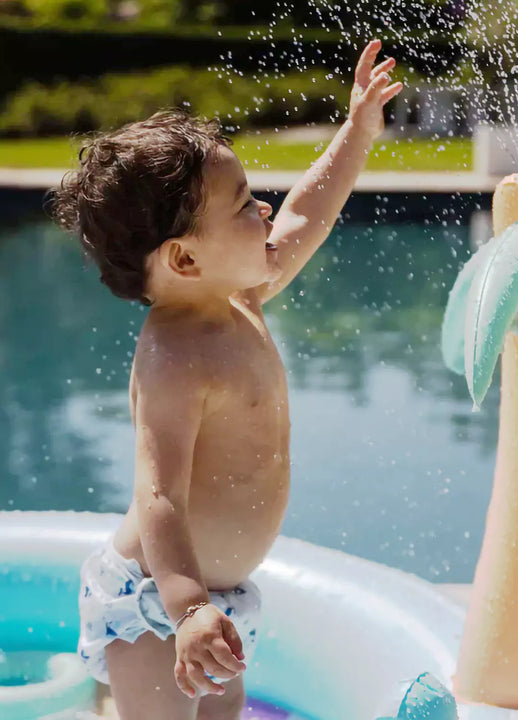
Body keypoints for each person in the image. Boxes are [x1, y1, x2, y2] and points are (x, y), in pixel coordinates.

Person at [48, 39, 402, 720]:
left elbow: (307, 213)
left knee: (223, 712)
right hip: (159, 604)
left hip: (217, 600)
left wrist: (357, 132)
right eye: (243, 205)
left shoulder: (241, 293)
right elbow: (160, 496)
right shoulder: (174, 357)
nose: (265, 211)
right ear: (183, 259)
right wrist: (186, 611)